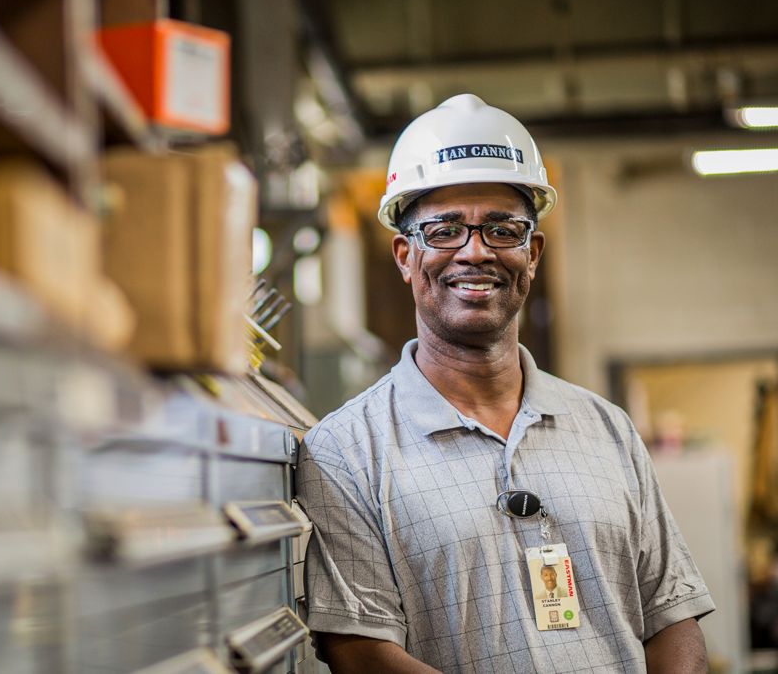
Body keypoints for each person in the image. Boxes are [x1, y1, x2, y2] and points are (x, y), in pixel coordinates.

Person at [295, 94, 715, 673]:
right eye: (444, 231)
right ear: (404, 256)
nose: (475, 251)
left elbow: (672, 615)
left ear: (531, 252)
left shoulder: (607, 428)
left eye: (502, 229)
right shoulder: (345, 452)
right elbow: (362, 654)